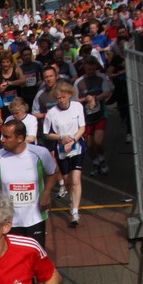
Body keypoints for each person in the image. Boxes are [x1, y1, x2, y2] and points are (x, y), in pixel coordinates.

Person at [0, 120, 59, 247]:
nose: (2, 140)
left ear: (20, 138)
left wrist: (46, 193)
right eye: (2, 136)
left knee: (35, 255)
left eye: (7, 137)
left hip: (35, 217)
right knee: (13, 256)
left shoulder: (40, 153)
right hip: (9, 220)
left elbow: (53, 172)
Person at [43, 81, 87, 226]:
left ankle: (75, 212)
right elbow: (47, 133)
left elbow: (82, 128)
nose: (61, 100)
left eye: (63, 97)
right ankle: (72, 200)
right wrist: (60, 137)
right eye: (58, 98)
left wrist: (73, 140)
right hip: (61, 150)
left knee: (76, 178)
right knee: (68, 181)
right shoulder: (52, 113)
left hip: (77, 146)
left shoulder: (77, 107)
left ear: (69, 95)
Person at [74, 57, 113, 175]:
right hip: (85, 118)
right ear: (84, 67)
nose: (90, 71)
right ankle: (96, 163)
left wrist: (95, 98)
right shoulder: (78, 82)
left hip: (100, 115)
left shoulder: (102, 77)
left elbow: (107, 92)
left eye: (93, 69)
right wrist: (86, 99)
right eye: (88, 69)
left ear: (96, 67)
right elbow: (74, 100)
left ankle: (102, 158)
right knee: (89, 145)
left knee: (98, 142)